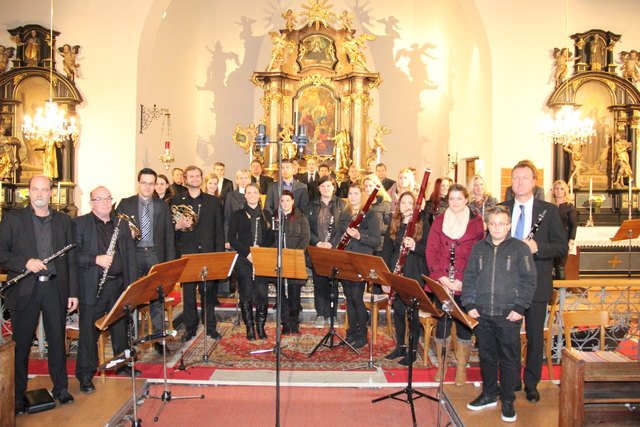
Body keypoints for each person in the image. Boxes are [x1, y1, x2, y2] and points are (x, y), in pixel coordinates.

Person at [0, 175, 78, 414]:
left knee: (57, 341)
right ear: (29, 192)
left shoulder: (64, 221)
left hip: (55, 288)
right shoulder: (13, 219)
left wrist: (73, 292)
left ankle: (61, 388)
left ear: (52, 193)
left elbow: (71, 260)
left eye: (45, 190)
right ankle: (18, 395)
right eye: (35, 189)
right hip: (26, 288)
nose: (40, 194)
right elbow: (1, 252)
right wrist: (25, 262)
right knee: (21, 345)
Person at [499, 160, 567, 403]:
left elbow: (561, 247)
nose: (519, 182)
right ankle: (512, 380)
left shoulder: (548, 210)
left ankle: (531, 383)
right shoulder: (502, 208)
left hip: (537, 284)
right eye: (515, 178)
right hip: (507, 284)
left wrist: (537, 246)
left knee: (536, 336)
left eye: (524, 178)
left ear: (534, 182)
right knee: (509, 335)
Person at [462, 206, 537, 423]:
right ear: (487, 225)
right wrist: (469, 304)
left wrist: (519, 308)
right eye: (493, 223)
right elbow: (470, 277)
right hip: (482, 312)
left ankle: (507, 399)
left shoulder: (519, 249)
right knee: (486, 356)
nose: (497, 227)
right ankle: (488, 394)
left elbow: (528, 280)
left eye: (502, 223)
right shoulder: (478, 249)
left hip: (508, 314)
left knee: (509, 359)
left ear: (509, 225)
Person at [75, 186, 139, 393]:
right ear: (91, 203)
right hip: (92, 287)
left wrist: (132, 287)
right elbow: (72, 256)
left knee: (120, 328)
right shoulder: (79, 224)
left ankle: (121, 365)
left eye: (108, 199)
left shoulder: (120, 223)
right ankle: (86, 374)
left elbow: (129, 257)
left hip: (118, 284)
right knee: (88, 332)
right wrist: (95, 259)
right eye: (99, 199)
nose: (104, 203)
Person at [426, 184, 484, 385]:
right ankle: (442, 365)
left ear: (466, 200)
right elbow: (431, 250)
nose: (455, 202)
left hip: (465, 283)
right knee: (443, 323)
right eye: (452, 198)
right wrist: (441, 278)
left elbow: (479, 254)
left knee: (464, 325)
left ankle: (461, 367)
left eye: (459, 198)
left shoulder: (476, 222)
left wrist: (462, 281)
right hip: (442, 281)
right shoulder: (439, 220)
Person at [117, 168, 175, 355]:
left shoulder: (162, 206)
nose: (148, 187)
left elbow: (168, 235)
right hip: (133, 254)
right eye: (144, 183)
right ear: (138, 183)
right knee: (130, 296)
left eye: (152, 183)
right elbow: (115, 232)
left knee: (157, 297)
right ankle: (129, 340)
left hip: (154, 254)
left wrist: (169, 263)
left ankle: (158, 339)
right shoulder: (125, 204)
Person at [171, 165, 225, 342]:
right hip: (187, 253)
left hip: (208, 253)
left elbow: (219, 229)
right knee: (188, 294)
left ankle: (210, 327)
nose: (194, 179)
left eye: (197, 176)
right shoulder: (176, 201)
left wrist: (218, 255)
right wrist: (177, 226)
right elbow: (168, 230)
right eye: (191, 176)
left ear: (201, 178)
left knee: (208, 292)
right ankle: (190, 327)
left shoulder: (213, 201)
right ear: (185, 180)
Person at [381, 191, 430, 366]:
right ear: (398, 206)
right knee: (399, 312)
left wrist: (415, 245)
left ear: (416, 205)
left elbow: (430, 250)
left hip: (414, 273)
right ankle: (400, 346)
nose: (407, 206)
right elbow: (386, 252)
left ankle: (413, 350)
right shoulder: (395, 223)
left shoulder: (422, 223)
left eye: (411, 203)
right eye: (404, 203)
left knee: (412, 313)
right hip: (397, 273)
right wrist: (385, 279)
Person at [331, 183, 381, 349]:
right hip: (346, 258)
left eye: (356, 194)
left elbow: (376, 241)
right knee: (349, 298)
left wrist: (360, 235)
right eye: (350, 194)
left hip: (361, 259)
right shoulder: (345, 213)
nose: (352, 197)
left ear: (362, 195)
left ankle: (362, 335)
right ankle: (351, 332)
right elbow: (338, 234)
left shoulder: (371, 214)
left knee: (357, 297)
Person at [228, 183, 273, 340]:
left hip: (261, 258)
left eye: (255, 192)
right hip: (244, 258)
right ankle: (249, 328)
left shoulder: (266, 214)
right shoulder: (238, 214)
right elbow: (232, 237)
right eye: (249, 192)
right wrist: (247, 253)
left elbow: (271, 237)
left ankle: (260, 327)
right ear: (245, 195)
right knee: (246, 293)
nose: (252, 195)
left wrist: (260, 252)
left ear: (259, 195)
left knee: (262, 294)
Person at [305, 175, 346, 327]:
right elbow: (307, 228)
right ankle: (321, 314)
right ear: (319, 188)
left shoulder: (341, 204)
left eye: (329, 186)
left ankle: (333, 315)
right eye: (323, 186)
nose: (326, 189)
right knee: (319, 283)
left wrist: (331, 243)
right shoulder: (311, 205)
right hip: (317, 249)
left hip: (333, 249)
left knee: (332, 284)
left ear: (333, 187)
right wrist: (318, 242)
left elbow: (342, 228)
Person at [277, 190, 311, 334]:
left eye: (287, 200)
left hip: (296, 259)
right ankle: (285, 323)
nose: (285, 203)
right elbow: (271, 238)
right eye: (282, 201)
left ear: (293, 201)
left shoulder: (301, 217)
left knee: (294, 294)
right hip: (279, 260)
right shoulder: (275, 217)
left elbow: (305, 237)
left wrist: (294, 254)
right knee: (281, 295)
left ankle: (294, 323)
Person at [550, 180, 577, 280]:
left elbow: (573, 225)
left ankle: (561, 293)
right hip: (550, 240)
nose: (559, 191)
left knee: (560, 267)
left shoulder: (569, 207)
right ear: (553, 191)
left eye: (561, 189)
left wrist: (571, 241)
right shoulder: (550, 206)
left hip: (563, 240)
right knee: (551, 267)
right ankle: (552, 292)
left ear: (565, 191)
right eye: (557, 189)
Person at [362, 174, 391, 256]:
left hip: (379, 247)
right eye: (366, 186)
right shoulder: (360, 204)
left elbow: (389, 227)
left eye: (370, 186)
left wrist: (374, 228)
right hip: (363, 244)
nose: (368, 189)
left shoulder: (385, 204)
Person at [224, 169, 252, 244]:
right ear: (237, 180)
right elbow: (227, 218)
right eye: (241, 178)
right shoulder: (231, 195)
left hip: (250, 235)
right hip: (235, 236)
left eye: (246, 178)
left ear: (250, 180)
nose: (243, 181)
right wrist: (227, 240)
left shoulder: (254, 195)